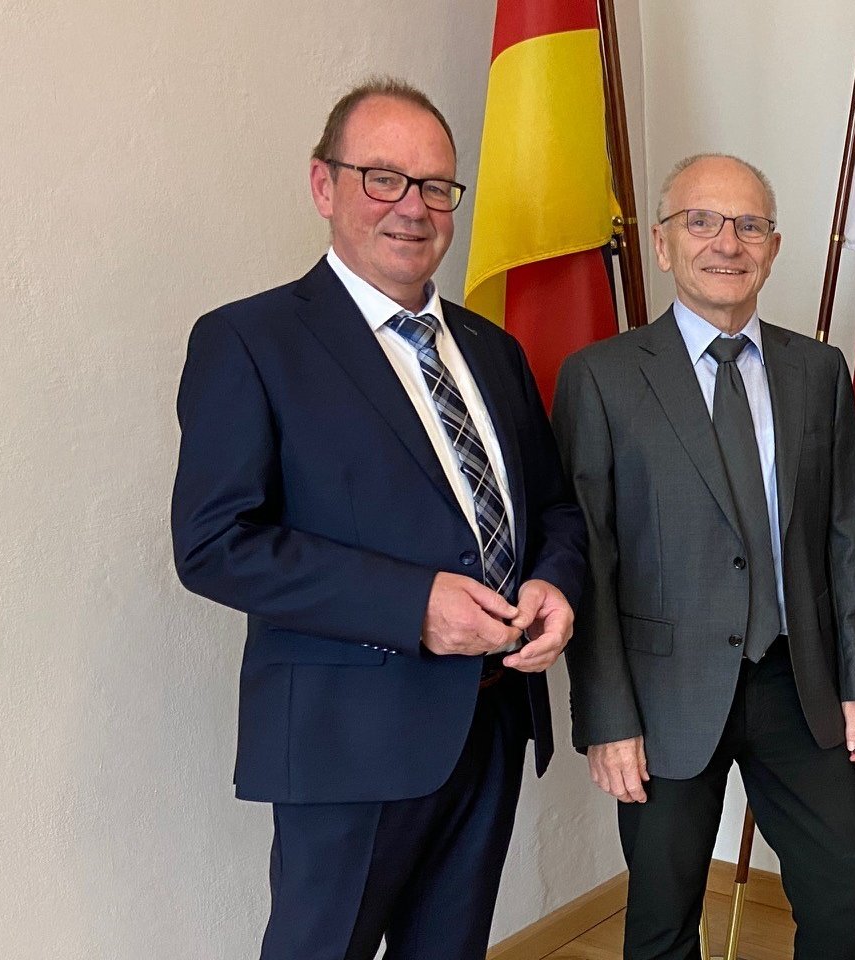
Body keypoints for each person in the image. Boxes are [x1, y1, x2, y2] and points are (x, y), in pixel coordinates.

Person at [170, 78, 586, 960]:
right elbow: (214, 543)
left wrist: (554, 580)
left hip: (490, 725)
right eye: (383, 178)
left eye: (436, 185)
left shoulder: (492, 349)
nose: (414, 207)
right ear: (324, 187)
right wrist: (412, 605)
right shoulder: (249, 342)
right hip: (345, 741)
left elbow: (551, 505)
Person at [552, 154, 855, 960]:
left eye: (749, 225)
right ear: (663, 245)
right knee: (662, 920)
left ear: (773, 247)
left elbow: (847, 538)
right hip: (664, 700)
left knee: (843, 900)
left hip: (796, 687)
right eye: (701, 221)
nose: (725, 242)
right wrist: (608, 717)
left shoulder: (817, 370)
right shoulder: (600, 378)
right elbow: (586, 558)